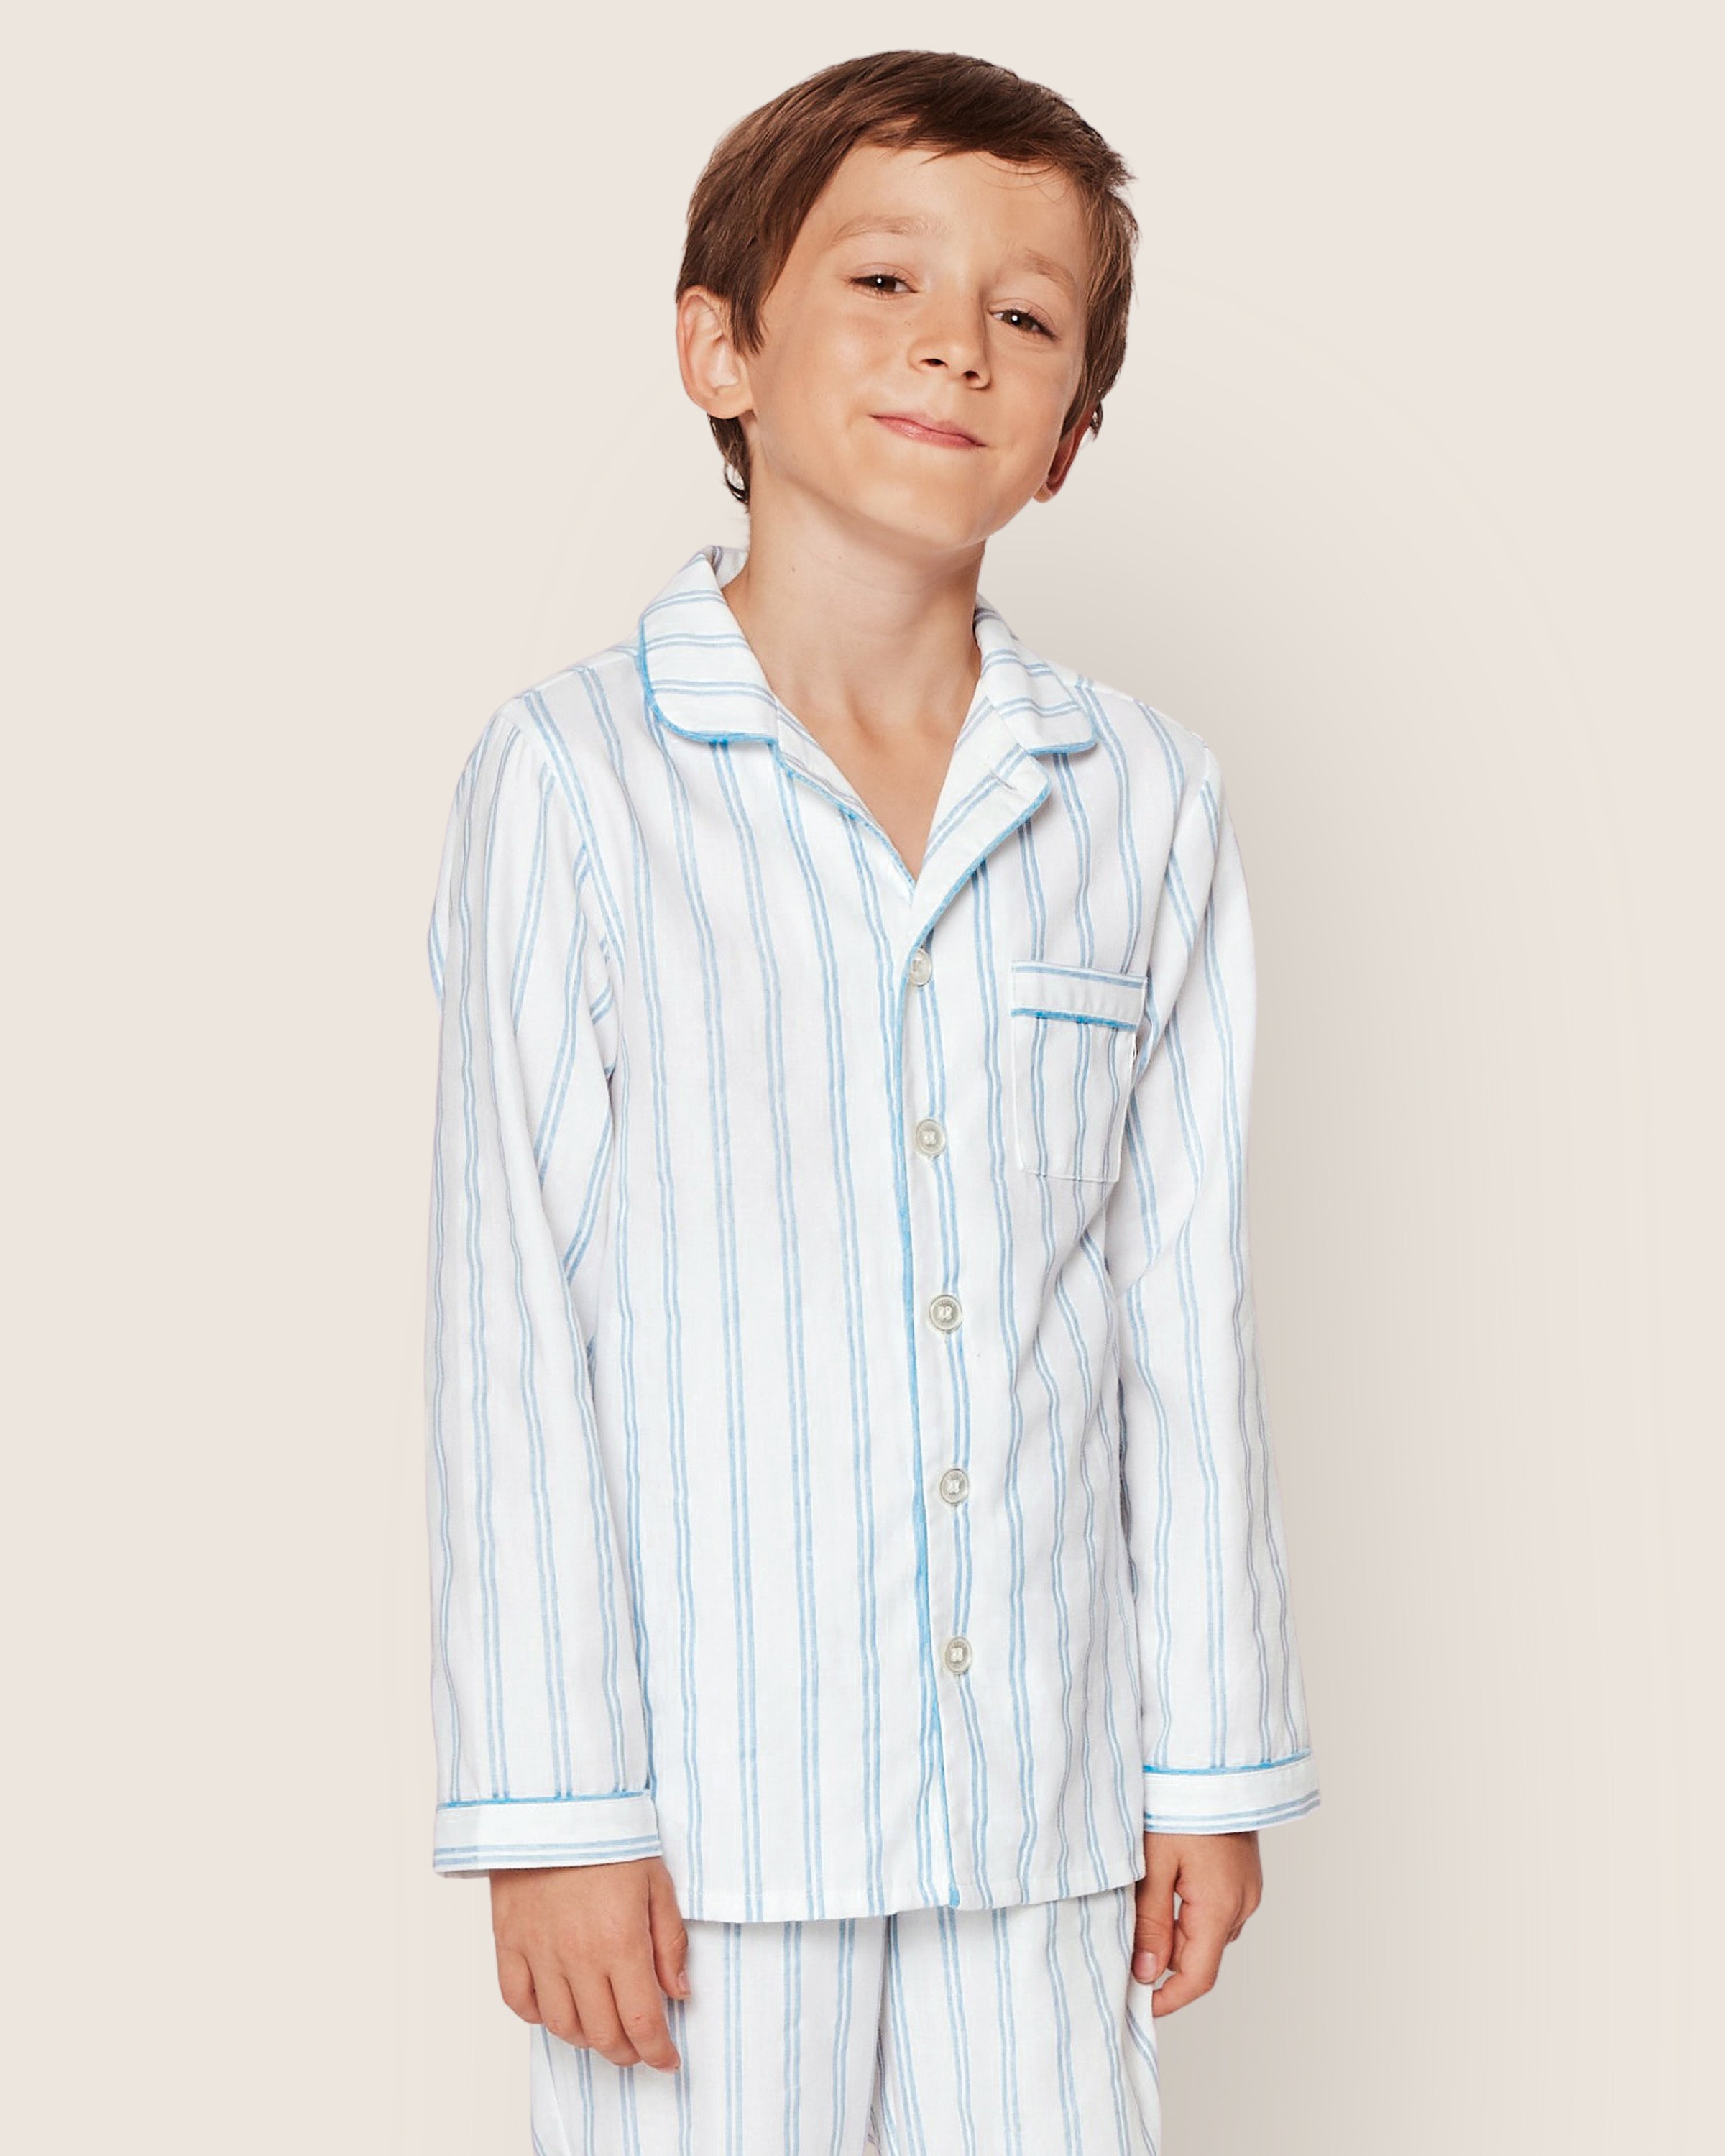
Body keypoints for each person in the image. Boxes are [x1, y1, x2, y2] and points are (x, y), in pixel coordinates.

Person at [422, 47, 1322, 2156]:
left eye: (1027, 316)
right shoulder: (573, 786)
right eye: (886, 283)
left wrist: (1209, 1767)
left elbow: (1180, 1310)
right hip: (705, 1831)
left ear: (1073, 434)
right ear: (719, 348)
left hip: (1048, 1801)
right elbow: (510, 1319)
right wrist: (553, 1810)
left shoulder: (1147, 805)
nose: (956, 344)